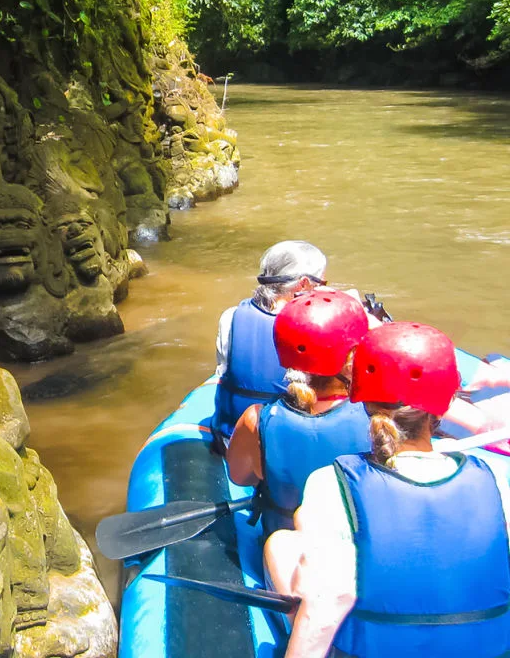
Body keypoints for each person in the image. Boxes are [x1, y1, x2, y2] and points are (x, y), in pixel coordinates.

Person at [266, 322, 510, 658]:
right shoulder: (495, 477)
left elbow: (331, 598)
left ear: (363, 398)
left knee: (281, 544)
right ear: (442, 405)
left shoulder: (330, 482)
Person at [226, 289, 372, 538]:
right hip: (360, 557)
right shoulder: (378, 419)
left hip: (288, 555)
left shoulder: (256, 419)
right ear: (352, 359)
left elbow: (240, 478)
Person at [212, 240, 328, 446]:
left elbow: (223, 371)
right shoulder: (315, 327)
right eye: (322, 283)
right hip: (284, 444)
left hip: (232, 437)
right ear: (304, 284)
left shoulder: (231, 317)